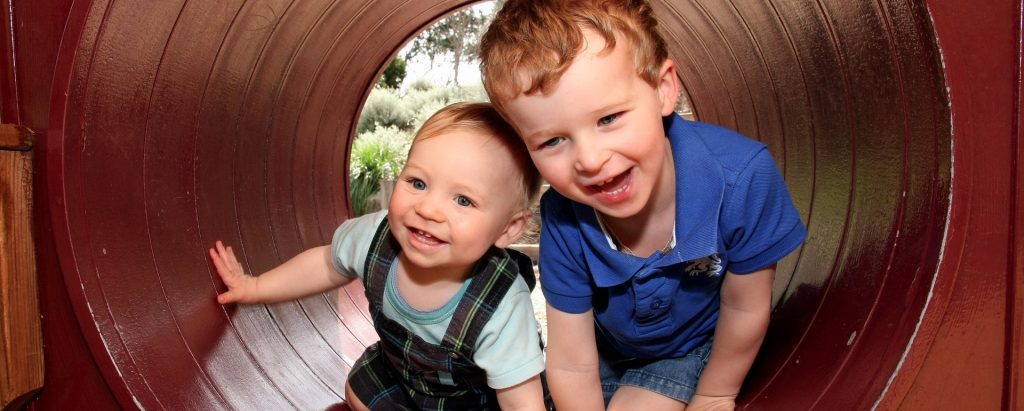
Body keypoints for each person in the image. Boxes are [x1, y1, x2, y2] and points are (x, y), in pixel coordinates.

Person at [478, 1, 808, 410]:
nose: (591, 159)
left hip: (700, 345)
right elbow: (572, 361)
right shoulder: (565, 219)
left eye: (609, 118)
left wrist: (715, 393)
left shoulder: (740, 179)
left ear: (662, 89)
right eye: (552, 141)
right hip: (607, 350)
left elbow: (744, 306)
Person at [209, 102, 547, 410]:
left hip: (471, 401)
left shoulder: (502, 307)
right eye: (418, 183)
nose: (428, 209)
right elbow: (327, 264)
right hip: (400, 373)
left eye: (463, 200)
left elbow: (521, 400)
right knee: (358, 392)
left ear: (508, 228)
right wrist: (254, 287)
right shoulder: (375, 236)